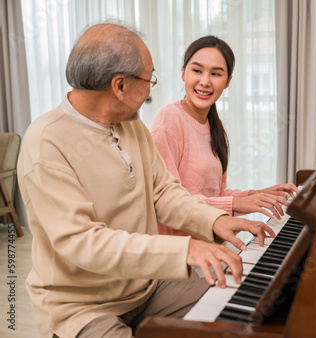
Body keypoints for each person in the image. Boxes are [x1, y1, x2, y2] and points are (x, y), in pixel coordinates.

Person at [17, 23, 275, 338]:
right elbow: (83, 244)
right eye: (149, 78)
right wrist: (184, 251)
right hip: (82, 307)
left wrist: (215, 219)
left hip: (148, 285)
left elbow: (164, 192)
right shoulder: (46, 143)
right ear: (119, 86)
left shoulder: (130, 125)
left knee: (247, 297)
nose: (151, 88)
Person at [150, 35, 298, 236]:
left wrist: (256, 195)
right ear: (183, 73)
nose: (205, 82)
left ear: (228, 81)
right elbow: (167, 202)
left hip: (211, 244)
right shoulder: (169, 119)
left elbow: (215, 195)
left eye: (216, 74)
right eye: (197, 70)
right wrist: (238, 203)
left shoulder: (215, 126)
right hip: (183, 252)